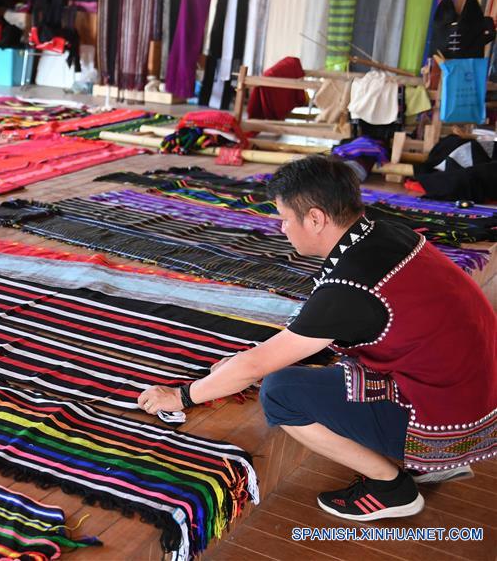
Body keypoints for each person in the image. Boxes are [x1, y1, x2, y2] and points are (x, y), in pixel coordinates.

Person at [138, 156, 496, 521]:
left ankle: (391, 488)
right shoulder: (384, 231)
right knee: (298, 366)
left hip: (450, 416)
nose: (282, 228)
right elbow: (307, 332)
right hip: (469, 393)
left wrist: (183, 395)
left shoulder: (350, 287)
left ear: (315, 218)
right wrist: (248, 362)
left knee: (280, 392)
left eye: (286, 218)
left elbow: (262, 363)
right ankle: (435, 462)